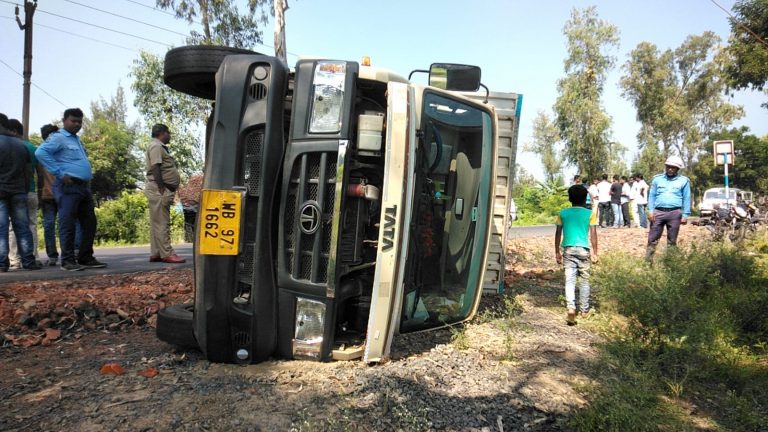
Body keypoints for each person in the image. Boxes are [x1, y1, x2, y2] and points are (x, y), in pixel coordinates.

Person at [35, 108, 107, 271]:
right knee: (67, 223)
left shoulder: (75, 139)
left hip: (83, 187)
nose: (77, 124)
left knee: (89, 222)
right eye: (73, 120)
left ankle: (85, 257)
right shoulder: (58, 137)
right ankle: (67, 261)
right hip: (68, 186)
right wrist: (59, 173)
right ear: (64, 120)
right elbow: (41, 152)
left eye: (79, 121)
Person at [0, 113, 40, 271]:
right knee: (23, 227)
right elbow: (28, 171)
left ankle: (2, 264)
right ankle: (29, 261)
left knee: (2, 228)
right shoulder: (20, 144)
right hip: (19, 191)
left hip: (1, 192)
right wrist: (23, 189)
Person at [555, 184, 598, 325]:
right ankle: (584, 310)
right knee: (584, 280)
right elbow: (593, 235)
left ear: (569, 198)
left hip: (568, 250)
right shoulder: (590, 214)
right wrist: (595, 252)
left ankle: (571, 308)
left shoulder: (563, 213)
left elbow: (558, 233)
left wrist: (557, 252)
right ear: (585, 198)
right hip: (584, 250)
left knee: (570, 280)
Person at [145, 124, 185, 263]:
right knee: (163, 222)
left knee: (157, 222)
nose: (170, 136)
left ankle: (156, 252)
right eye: (169, 133)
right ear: (162, 133)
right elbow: (156, 166)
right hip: (159, 188)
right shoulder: (156, 146)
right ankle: (167, 253)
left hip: (158, 188)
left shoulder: (157, 146)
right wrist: (162, 187)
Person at [646, 155, 691, 261]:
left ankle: (670, 263)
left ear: (677, 169)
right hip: (658, 213)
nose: (670, 169)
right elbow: (651, 196)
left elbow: (687, 198)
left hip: (675, 213)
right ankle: (648, 263)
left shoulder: (684, 181)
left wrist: (685, 215)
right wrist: (651, 211)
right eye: (668, 167)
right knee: (652, 239)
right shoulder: (657, 179)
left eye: (673, 167)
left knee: (672, 241)